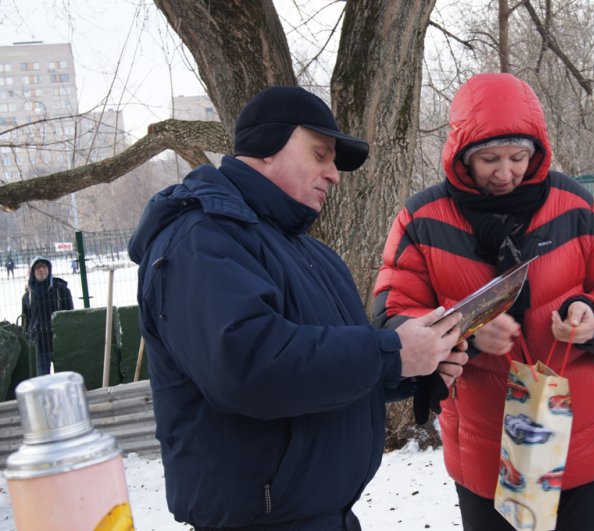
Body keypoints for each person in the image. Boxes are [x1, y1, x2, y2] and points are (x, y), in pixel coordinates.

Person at [127, 85, 468, 530]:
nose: (334, 174)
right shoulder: (202, 240)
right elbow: (249, 366)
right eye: (320, 154)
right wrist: (391, 353)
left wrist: (412, 369)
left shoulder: (308, 253)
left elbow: (321, 372)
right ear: (267, 144)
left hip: (328, 515)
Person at [372, 72, 594, 531]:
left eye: (518, 157)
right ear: (461, 156)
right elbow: (394, 316)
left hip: (583, 441)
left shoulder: (572, 204)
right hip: (487, 449)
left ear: (537, 151)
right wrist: (468, 330)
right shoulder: (421, 219)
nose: (505, 173)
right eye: (489, 159)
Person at [20, 257, 74, 376]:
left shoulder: (61, 290)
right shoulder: (27, 296)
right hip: (39, 344)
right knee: (43, 380)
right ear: (33, 273)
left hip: (60, 340)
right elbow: (26, 322)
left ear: (49, 269)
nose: (41, 270)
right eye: (37, 268)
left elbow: (71, 315)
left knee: (66, 377)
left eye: (44, 267)